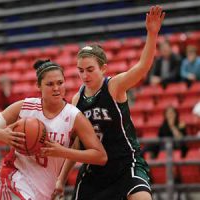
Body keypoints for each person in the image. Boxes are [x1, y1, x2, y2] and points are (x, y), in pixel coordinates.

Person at [52, 6, 165, 200]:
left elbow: (142, 67)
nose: (84, 75)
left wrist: (152, 34)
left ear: (103, 69)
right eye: (80, 70)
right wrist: (61, 180)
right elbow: (77, 144)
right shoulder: (77, 100)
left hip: (125, 164)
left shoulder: (114, 87)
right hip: (95, 171)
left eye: (89, 69)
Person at [0, 59, 107, 200]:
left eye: (60, 83)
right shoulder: (25, 107)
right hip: (14, 179)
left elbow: (100, 156)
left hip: (45, 191)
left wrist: (63, 153)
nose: (56, 88)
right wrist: (2, 135)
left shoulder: (74, 116)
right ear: (39, 86)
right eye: (50, 84)